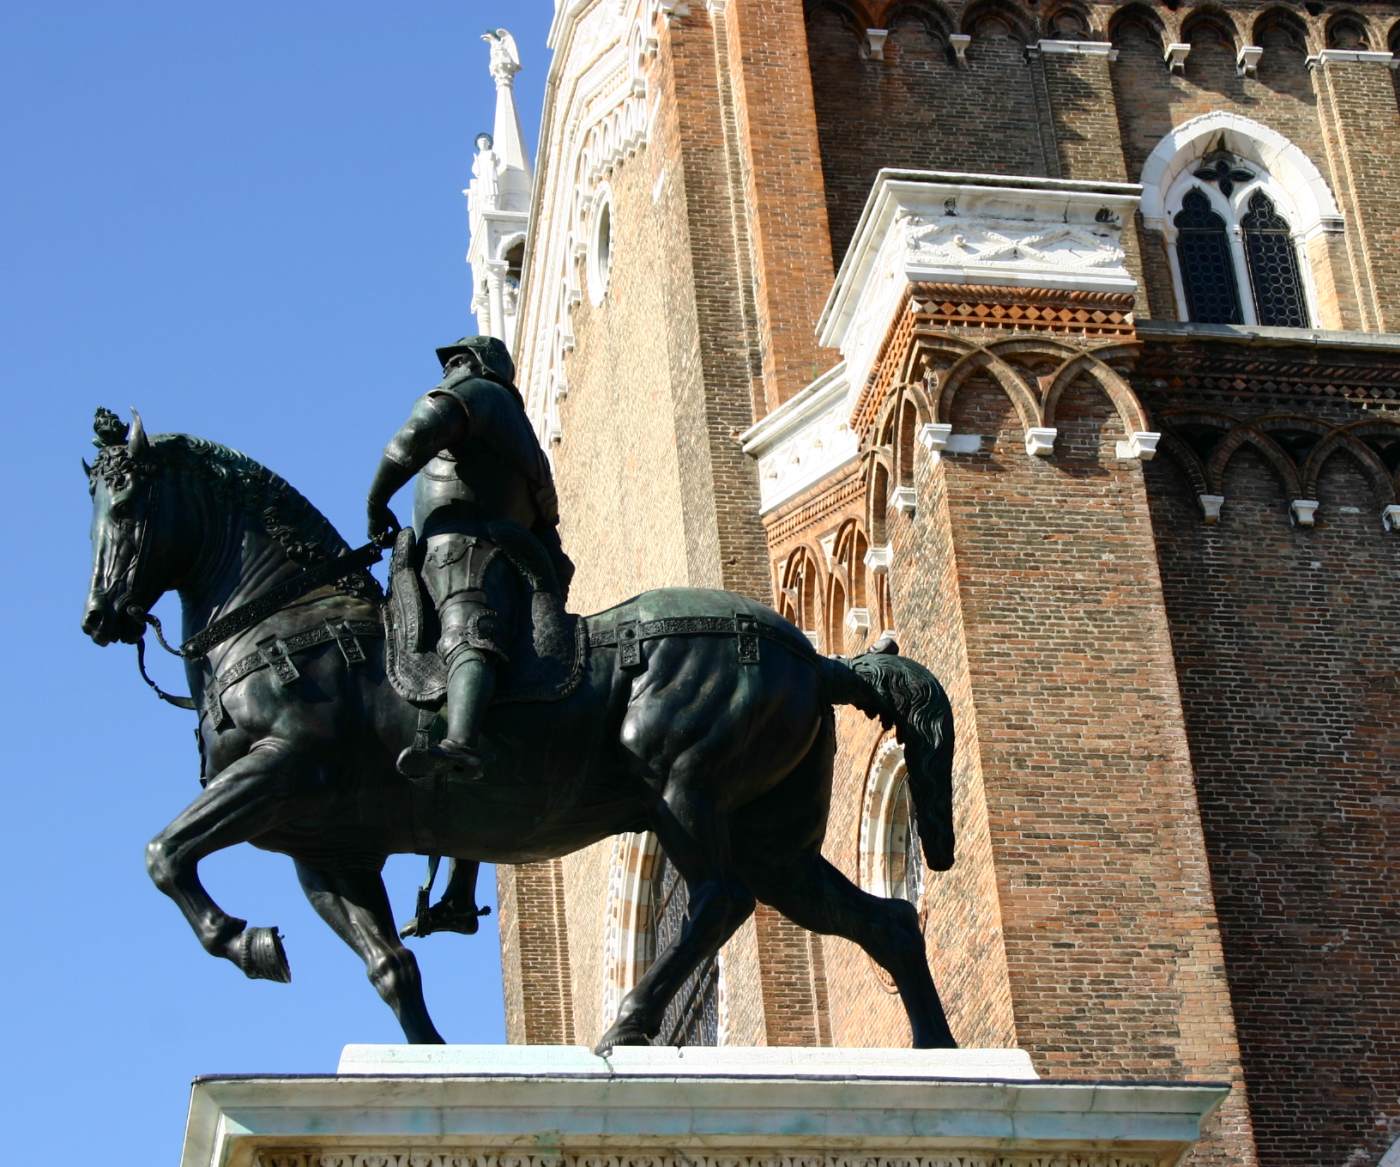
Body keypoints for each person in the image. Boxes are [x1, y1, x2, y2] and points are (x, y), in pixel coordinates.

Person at [366, 335, 571, 781]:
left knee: (466, 628)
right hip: (497, 553)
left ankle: (460, 744)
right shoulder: (523, 439)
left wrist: (376, 500)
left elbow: (415, 436)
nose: (448, 372)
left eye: (455, 363)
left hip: (467, 549)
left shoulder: (478, 394)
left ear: (470, 364)